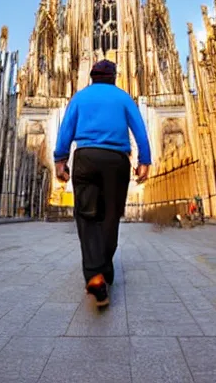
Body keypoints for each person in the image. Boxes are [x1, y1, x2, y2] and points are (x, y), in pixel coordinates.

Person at [54, 60, 152, 307]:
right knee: (110, 216)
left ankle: (95, 275)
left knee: (87, 216)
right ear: (113, 77)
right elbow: (140, 130)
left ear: (92, 77)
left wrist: (60, 159)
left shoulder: (80, 97)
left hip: (86, 158)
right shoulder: (123, 97)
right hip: (117, 161)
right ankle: (104, 269)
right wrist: (145, 160)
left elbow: (66, 129)